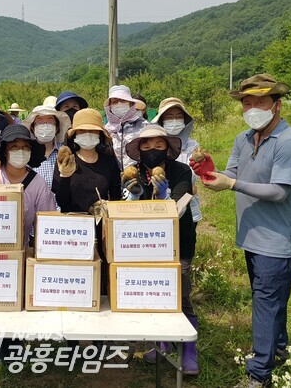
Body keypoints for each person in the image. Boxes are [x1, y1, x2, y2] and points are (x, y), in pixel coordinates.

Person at [193, 74, 291, 388]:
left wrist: (233, 184)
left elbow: (280, 191)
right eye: (247, 103)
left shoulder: (290, 142)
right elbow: (230, 173)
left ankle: (259, 375)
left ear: (277, 105)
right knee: (271, 298)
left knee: (266, 302)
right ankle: (278, 349)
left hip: (278, 239)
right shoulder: (242, 139)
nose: (252, 108)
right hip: (252, 236)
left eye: (260, 101)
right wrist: (206, 172)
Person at [124, 124, 198, 375]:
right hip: (147, 244)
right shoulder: (134, 173)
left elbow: (181, 207)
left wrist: (165, 195)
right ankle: (162, 343)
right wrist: (133, 196)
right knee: (156, 294)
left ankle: (188, 350)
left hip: (179, 242)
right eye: (146, 145)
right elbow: (126, 210)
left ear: (168, 149)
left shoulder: (181, 171)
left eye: (158, 145)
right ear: (139, 150)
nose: (152, 150)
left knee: (181, 293)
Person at [52, 108, 121, 291]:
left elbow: (116, 195)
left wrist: (108, 207)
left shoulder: (109, 161)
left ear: (100, 135)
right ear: (74, 135)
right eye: (82, 131)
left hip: (102, 230)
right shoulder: (67, 160)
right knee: (77, 279)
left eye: (92, 131)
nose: (87, 135)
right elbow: (62, 201)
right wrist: (65, 176)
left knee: (102, 279)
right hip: (74, 230)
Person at [0, 124, 57, 246]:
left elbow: (47, 222)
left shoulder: (38, 183)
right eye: (14, 147)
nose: (21, 151)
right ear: (5, 151)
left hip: (21, 250)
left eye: (25, 147)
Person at [152, 98, 202, 227]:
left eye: (179, 117)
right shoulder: (152, 146)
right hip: (157, 207)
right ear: (161, 120)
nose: (174, 121)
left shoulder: (192, 145)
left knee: (184, 242)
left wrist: (183, 187)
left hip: (187, 206)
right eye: (169, 117)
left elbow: (193, 175)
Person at [22, 104, 71, 192]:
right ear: (33, 128)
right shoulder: (25, 153)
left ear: (56, 128)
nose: (45, 125)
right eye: (40, 122)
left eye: (50, 121)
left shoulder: (64, 152)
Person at [104, 84, 148, 171]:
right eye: (114, 102)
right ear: (109, 106)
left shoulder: (145, 126)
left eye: (123, 100)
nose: (119, 104)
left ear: (131, 103)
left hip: (139, 177)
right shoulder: (106, 130)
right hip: (113, 179)